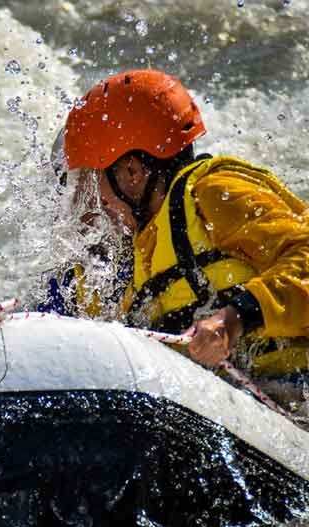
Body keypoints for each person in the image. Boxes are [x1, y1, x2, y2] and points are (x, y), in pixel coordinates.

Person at [58, 68, 309, 412]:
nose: (83, 205)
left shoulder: (213, 193)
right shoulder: (128, 258)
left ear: (131, 172)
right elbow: (55, 321)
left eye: (89, 182)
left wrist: (233, 320)